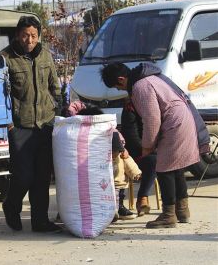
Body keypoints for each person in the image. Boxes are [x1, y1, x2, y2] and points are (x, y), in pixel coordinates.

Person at [100, 62, 201, 228]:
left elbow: (152, 119)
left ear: (121, 79)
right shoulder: (149, 79)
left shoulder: (140, 86)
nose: (122, 91)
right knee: (176, 168)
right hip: (183, 119)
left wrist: (147, 147)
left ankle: (168, 215)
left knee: (163, 169)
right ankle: (182, 211)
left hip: (174, 124)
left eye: (118, 88)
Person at [0, 16, 62, 232]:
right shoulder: (3, 59)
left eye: (33, 35)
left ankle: (40, 221)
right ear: (17, 35)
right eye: (24, 35)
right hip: (19, 126)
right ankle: (11, 205)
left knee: (42, 177)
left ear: (38, 36)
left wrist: (56, 112)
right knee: (24, 175)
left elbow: (55, 87)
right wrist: (8, 124)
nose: (29, 40)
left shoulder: (46, 56)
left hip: (45, 124)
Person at [75, 103, 141, 221]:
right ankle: (112, 209)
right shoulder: (79, 135)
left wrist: (121, 153)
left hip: (113, 171)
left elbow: (121, 152)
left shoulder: (112, 132)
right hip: (93, 173)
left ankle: (118, 207)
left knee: (118, 182)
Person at [121, 97, 157, 217]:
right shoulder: (130, 108)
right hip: (138, 152)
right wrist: (148, 148)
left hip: (156, 149)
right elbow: (132, 138)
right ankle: (142, 197)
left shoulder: (155, 105)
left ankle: (175, 204)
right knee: (153, 161)